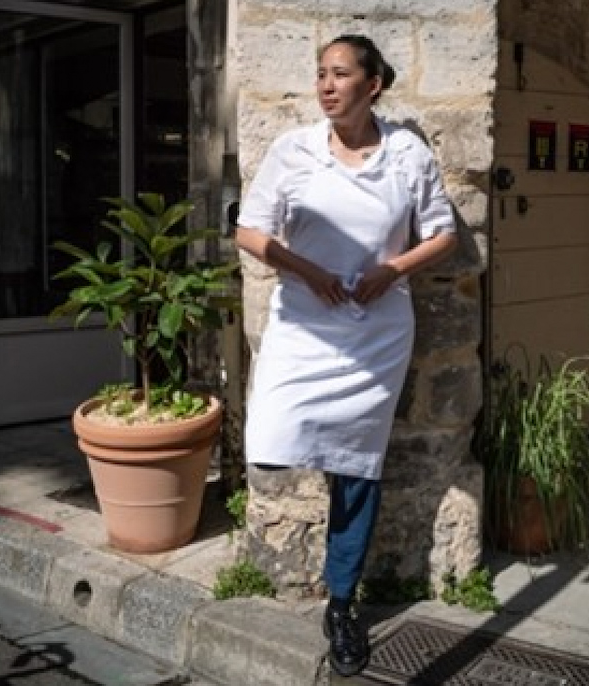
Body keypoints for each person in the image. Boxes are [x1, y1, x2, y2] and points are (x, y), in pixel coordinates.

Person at [235, 34, 457, 677]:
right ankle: (329, 572)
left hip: (375, 330)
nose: (326, 85)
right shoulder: (293, 150)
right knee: (271, 438)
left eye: (340, 74)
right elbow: (250, 229)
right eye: (320, 74)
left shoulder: (407, 154)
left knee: (358, 470)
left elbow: (441, 235)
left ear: (374, 84)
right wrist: (307, 270)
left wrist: (392, 270)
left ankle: (342, 602)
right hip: (304, 323)